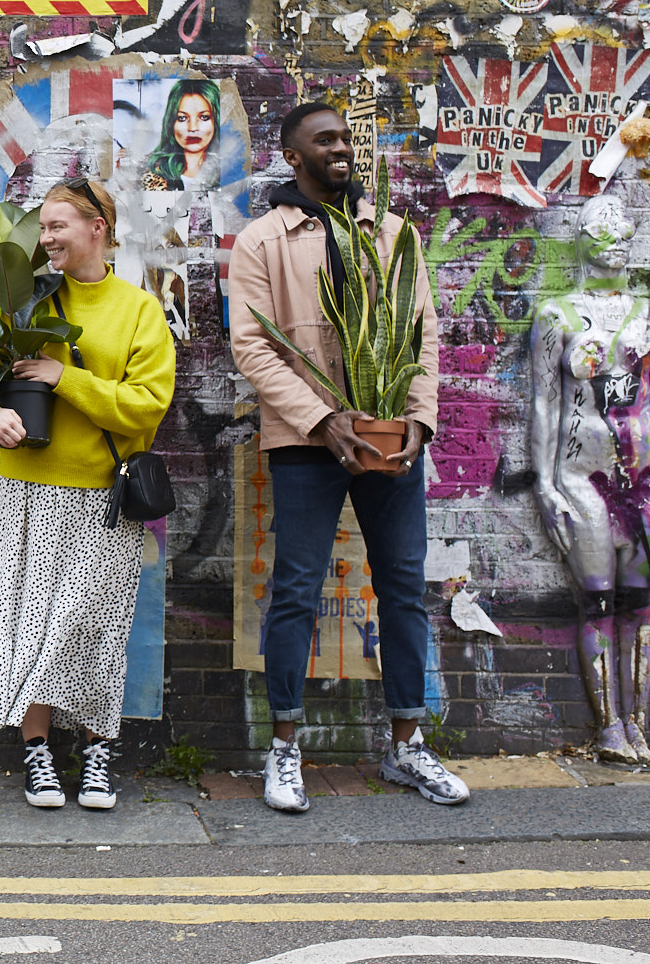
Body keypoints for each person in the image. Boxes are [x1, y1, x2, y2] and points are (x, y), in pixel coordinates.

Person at [228, 102, 466, 813]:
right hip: (306, 440)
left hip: (390, 434)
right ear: (292, 156)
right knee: (296, 589)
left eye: (344, 138)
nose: (340, 148)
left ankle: (406, 746)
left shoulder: (392, 232)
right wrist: (322, 418)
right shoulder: (263, 240)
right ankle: (284, 748)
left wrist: (419, 419)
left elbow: (421, 332)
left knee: (403, 586)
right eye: (324, 140)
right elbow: (251, 346)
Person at [0, 177, 176, 811]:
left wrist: (65, 377)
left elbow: (146, 407)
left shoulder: (139, 311)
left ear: (97, 228)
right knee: (30, 627)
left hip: (105, 499)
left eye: (58, 226)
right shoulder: (22, 303)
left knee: (96, 629)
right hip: (28, 493)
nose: (45, 238)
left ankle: (98, 753)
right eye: (43, 227)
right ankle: (38, 753)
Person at [530, 195, 650, 764]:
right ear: (582, 240)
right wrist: (545, 485)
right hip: (583, 478)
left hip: (647, 479)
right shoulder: (557, 315)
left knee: (640, 604)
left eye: (622, 233)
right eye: (602, 232)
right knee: (596, 600)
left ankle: (638, 724)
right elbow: (545, 404)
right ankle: (609, 726)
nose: (615, 243)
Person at [140, 78, 222, 190]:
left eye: (204, 117)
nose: (192, 128)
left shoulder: (230, 172)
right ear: (171, 123)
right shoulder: (148, 172)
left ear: (216, 121)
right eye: (182, 118)